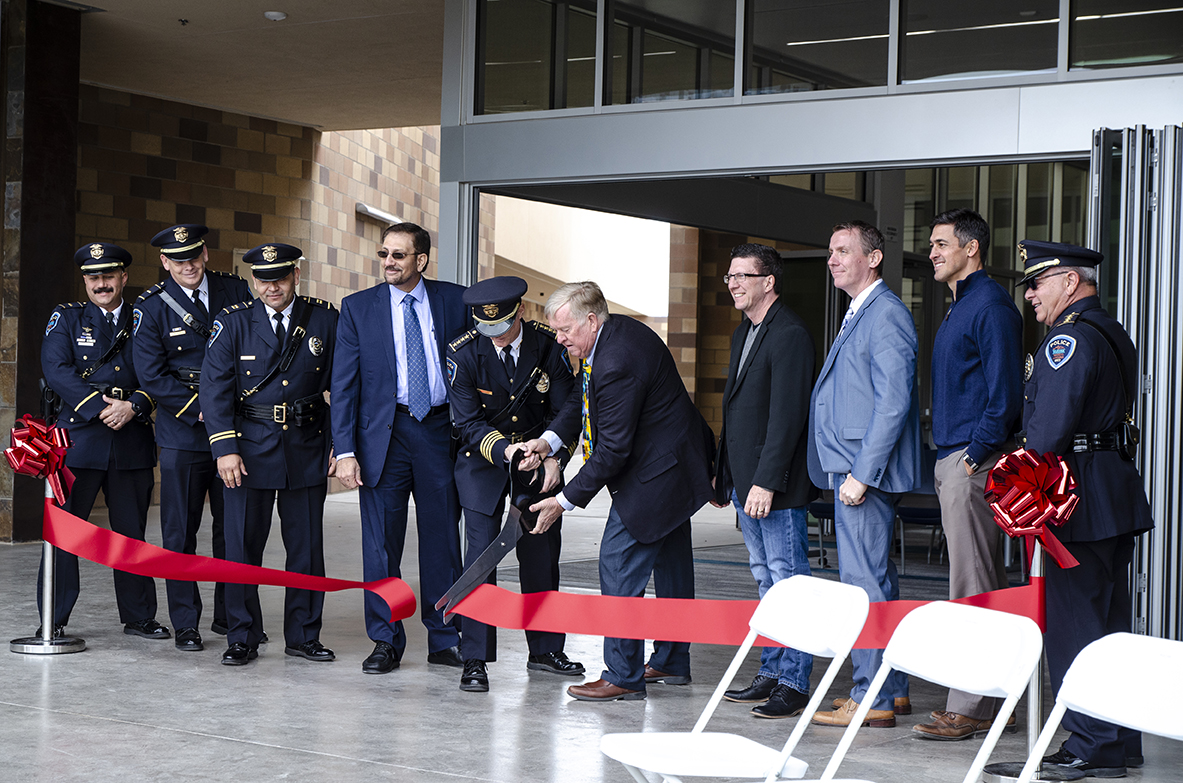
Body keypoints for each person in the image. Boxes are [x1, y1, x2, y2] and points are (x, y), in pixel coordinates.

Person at [523, 281, 715, 702]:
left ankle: (624, 675)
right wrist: (549, 441)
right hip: (675, 464)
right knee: (670, 564)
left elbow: (612, 451)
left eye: (566, 330)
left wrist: (563, 500)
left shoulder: (616, 362)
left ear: (591, 320)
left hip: (658, 475)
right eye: (556, 331)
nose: (559, 339)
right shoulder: (609, 337)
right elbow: (580, 397)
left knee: (617, 563)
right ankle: (671, 660)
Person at [1014, 240, 1152, 777]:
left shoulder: (1067, 339)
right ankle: (1118, 743)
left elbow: (1048, 429)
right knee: (1111, 624)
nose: (1029, 294)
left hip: (1077, 498)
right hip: (1112, 492)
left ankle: (1088, 744)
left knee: (1077, 627)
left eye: (1037, 283)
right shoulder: (1112, 331)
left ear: (1070, 283)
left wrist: (1018, 486)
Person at [330, 222, 469, 674]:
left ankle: (445, 636)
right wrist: (345, 450)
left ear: (421, 260)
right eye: (384, 254)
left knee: (443, 540)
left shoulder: (454, 301)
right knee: (380, 545)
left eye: (399, 255)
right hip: (382, 438)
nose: (388, 262)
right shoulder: (357, 308)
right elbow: (344, 385)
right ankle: (386, 639)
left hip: (438, 433)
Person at [913, 209, 1024, 740]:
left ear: (971, 248)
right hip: (958, 458)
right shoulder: (962, 305)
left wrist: (972, 456)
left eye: (940, 243)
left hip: (971, 463)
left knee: (972, 585)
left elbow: (1005, 396)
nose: (931, 252)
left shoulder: (990, 307)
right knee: (983, 582)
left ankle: (972, 706)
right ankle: (996, 701)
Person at [200, 242, 338, 666]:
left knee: (306, 549)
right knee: (242, 547)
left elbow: (346, 387)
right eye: (263, 279)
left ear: (297, 275)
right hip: (248, 451)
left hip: (306, 446)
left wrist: (339, 445)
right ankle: (242, 635)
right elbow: (214, 387)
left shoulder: (324, 319)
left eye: (279, 277)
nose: (271, 286)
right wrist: (224, 449)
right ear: (254, 281)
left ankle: (303, 635)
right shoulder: (234, 322)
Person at [447, 276, 585, 692]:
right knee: (480, 560)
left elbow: (568, 411)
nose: (495, 336)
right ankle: (474, 657)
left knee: (542, 555)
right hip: (485, 462)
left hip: (539, 461)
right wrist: (508, 452)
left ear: (520, 313)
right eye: (486, 328)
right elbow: (466, 423)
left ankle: (545, 650)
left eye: (502, 326)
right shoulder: (463, 351)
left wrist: (555, 458)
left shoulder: (548, 345)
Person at [808, 221, 920, 729]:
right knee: (876, 581)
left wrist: (862, 473)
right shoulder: (862, 311)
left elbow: (893, 404)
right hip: (852, 471)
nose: (832, 259)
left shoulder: (885, 314)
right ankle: (891, 690)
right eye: (830, 251)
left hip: (862, 477)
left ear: (872, 258)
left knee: (862, 586)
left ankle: (869, 694)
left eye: (842, 251)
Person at [37, 242, 168, 642]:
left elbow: (161, 371)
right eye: (94, 278)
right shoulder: (68, 318)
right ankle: (53, 618)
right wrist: (99, 407)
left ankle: (139, 616)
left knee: (131, 534)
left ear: (124, 278)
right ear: (85, 282)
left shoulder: (145, 318)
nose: (101, 284)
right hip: (78, 439)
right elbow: (55, 368)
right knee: (65, 534)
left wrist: (135, 406)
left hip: (130, 440)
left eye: (109, 276)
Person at [134, 224, 252, 651]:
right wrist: (201, 407)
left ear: (205, 253)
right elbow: (151, 375)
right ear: (165, 262)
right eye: (178, 260)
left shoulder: (233, 289)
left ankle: (230, 617)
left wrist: (224, 409)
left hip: (234, 431)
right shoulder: (150, 306)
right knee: (180, 533)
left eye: (195, 256)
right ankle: (186, 622)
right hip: (183, 432)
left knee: (232, 530)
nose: (189, 265)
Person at [713, 244, 817, 719]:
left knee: (789, 580)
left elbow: (787, 417)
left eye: (742, 276)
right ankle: (772, 670)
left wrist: (766, 481)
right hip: (746, 483)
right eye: (730, 276)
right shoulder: (745, 333)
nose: (733, 283)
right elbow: (736, 412)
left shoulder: (790, 333)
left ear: (768, 281)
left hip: (774, 486)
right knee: (764, 581)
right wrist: (726, 477)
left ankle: (795, 682)